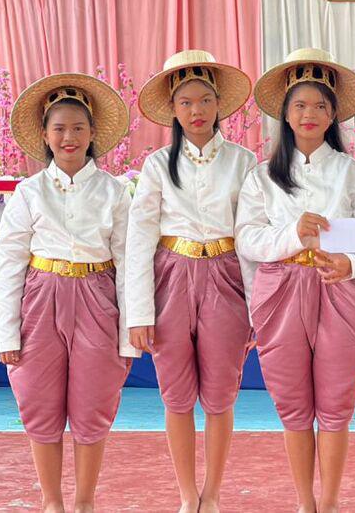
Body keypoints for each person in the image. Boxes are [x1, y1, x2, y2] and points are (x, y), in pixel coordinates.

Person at [235, 48, 355, 513]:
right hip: (281, 291)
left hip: (343, 291)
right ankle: (305, 503)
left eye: (320, 105)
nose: (309, 114)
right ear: (285, 113)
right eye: (299, 105)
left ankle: (331, 503)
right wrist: (292, 234)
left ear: (334, 114)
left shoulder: (354, 174)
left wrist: (349, 265)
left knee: (336, 405)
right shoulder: (263, 177)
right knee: (292, 405)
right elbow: (247, 239)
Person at [0, 73, 139, 512]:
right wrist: (7, 333)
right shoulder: (28, 192)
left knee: (94, 404)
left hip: (98, 300)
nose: (69, 137)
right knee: (38, 403)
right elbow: (10, 264)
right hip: (40, 301)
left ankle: (85, 503)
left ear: (93, 133)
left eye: (78, 128)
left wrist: (129, 334)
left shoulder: (115, 192)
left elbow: (129, 264)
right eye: (59, 128)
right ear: (44, 135)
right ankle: (52, 503)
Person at [125, 49, 257, 513]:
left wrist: (258, 309)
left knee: (220, 395)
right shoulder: (157, 165)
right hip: (171, 278)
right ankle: (186, 496)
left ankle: (213, 495)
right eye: (185, 102)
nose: (196, 111)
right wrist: (139, 313)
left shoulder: (243, 162)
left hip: (227, 277)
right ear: (173, 109)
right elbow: (139, 240)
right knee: (176, 396)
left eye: (204, 100)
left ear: (219, 104)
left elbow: (251, 237)